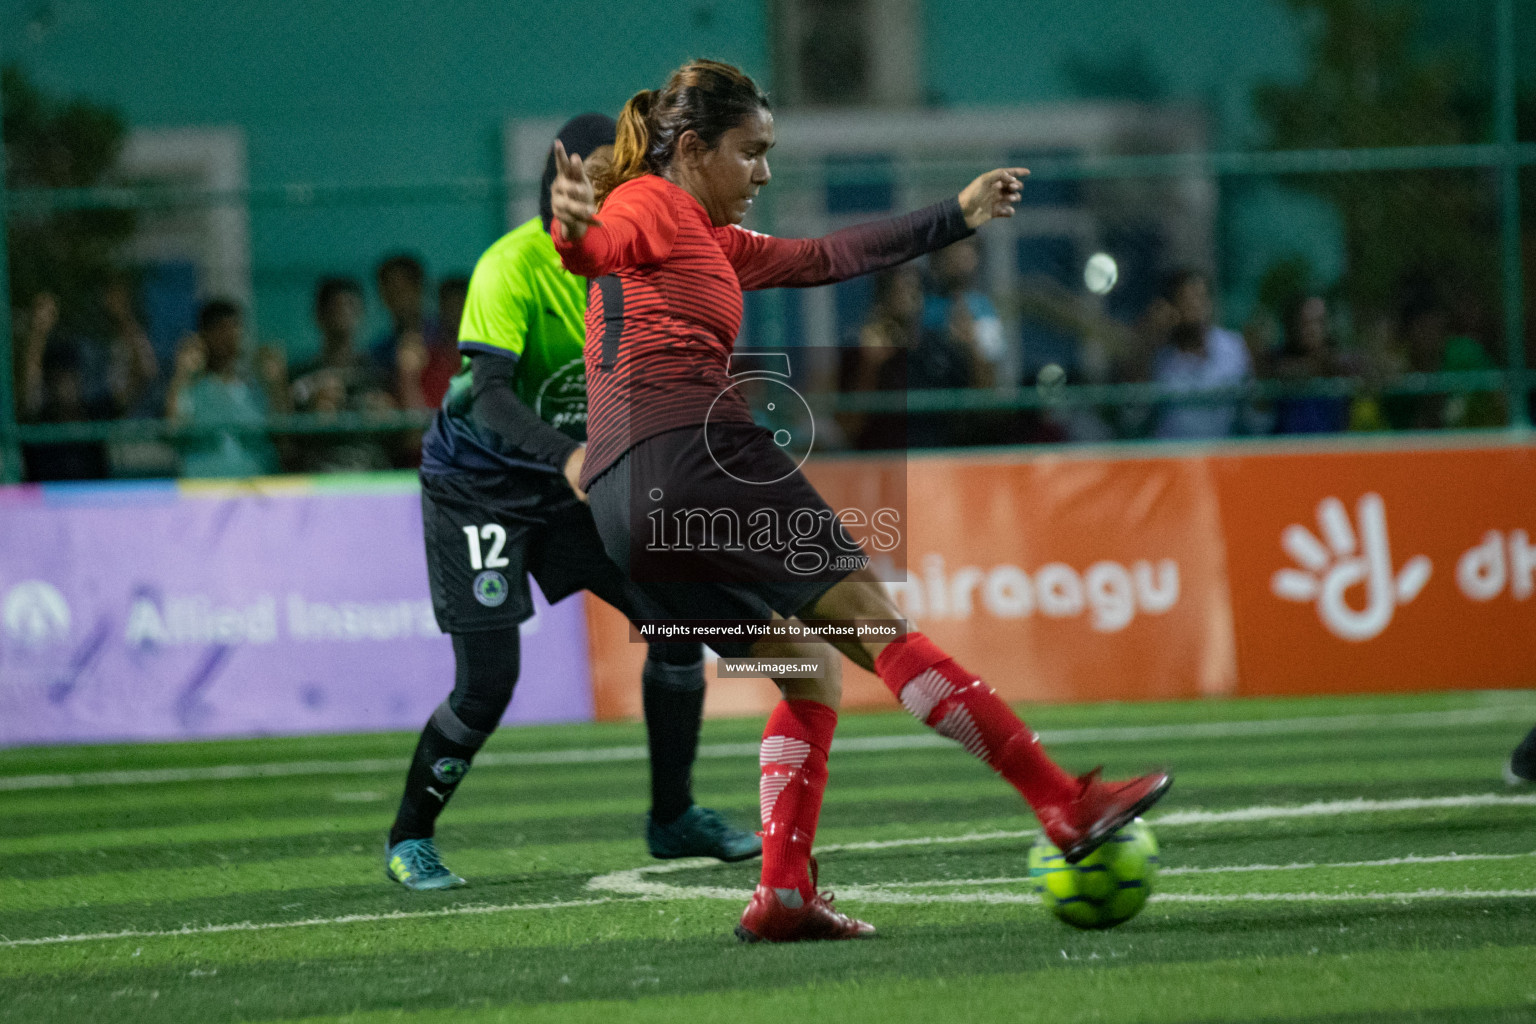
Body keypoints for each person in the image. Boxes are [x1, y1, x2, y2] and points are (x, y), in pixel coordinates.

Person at [550, 59, 1171, 943]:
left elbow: (831, 257)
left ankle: (785, 894)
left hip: (620, 504)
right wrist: (571, 235)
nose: (764, 172)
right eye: (751, 152)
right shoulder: (650, 204)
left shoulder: (708, 236)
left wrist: (954, 215)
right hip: (693, 452)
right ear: (690, 148)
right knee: (879, 625)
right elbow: (598, 248)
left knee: (811, 668)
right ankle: (1064, 804)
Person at [385, 113, 760, 892]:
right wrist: (570, 456)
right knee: (487, 682)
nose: (610, 183)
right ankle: (410, 838)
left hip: (572, 486)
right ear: (556, 174)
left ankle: (672, 817)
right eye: (594, 168)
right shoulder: (510, 266)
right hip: (478, 491)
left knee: (677, 618)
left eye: (620, 169)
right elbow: (486, 397)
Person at [165, 299, 284, 479]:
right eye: (220, 328)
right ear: (204, 335)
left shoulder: (255, 388)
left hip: (257, 490)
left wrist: (276, 384)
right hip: (204, 490)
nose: (230, 336)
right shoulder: (191, 389)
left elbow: (283, 436)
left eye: (235, 327)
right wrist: (181, 375)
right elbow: (173, 433)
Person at [289, 276, 395, 473]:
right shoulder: (299, 375)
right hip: (320, 476)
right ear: (319, 315)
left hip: (372, 474)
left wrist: (385, 415)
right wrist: (314, 413)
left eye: (351, 306)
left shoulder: (380, 373)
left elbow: (399, 436)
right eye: (335, 308)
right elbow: (288, 445)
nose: (344, 314)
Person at [1149, 269, 1251, 439]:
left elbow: (1255, 416)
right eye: (1186, 300)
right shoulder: (1158, 354)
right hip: (1172, 458)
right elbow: (1133, 414)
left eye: (1201, 298)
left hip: (1223, 457)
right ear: (1172, 307)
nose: (1196, 307)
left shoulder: (1234, 347)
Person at [1270, 294, 1352, 435]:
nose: (1312, 330)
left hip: (1333, 447)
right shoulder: (1278, 358)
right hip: (1288, 449)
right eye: (1305, 322)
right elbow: (1277, 370)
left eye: (1318, 322)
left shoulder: (1340, 360)